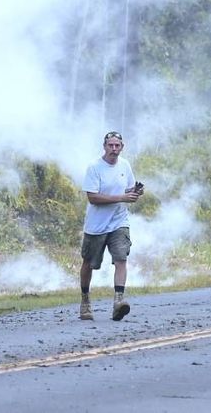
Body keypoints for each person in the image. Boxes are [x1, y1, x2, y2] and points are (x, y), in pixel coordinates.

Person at [79, 130, 142, 321]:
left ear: (122, 147)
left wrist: (135, 192)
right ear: (104, 147)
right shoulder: (94, 167)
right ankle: (85, 301)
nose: (114, 149)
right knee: (89, 263)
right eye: (111, 145)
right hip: (97, 225)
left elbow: (127, 188)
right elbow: (93, 197)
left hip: (119, 221)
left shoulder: (125, 165)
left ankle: (118, 301)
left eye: (117, 146)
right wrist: (122, 197)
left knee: (121, 258)